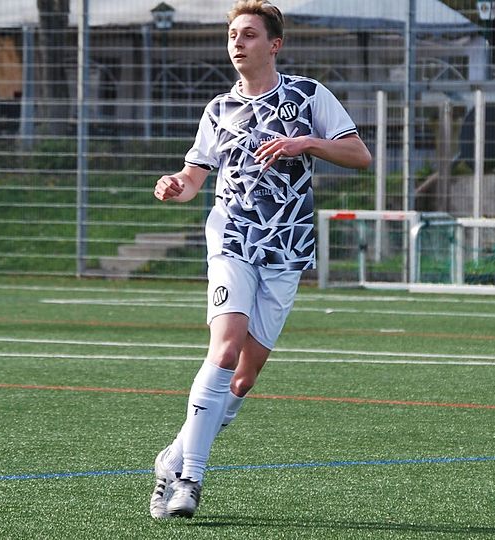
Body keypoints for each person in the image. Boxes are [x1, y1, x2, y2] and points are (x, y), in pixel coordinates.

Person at [149, 0, 371, 519]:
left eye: (249, 34)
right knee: (225, 349)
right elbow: (194, 176)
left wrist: (305, 144)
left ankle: (171, 458)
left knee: (243, 380)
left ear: (274, 44)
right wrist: (175, 184)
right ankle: (189, 479)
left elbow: (359, 155)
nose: (237, 42)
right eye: (233, 34)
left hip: (287, 247)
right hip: (232, 238)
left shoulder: (308, 95)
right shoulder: (218, 109)